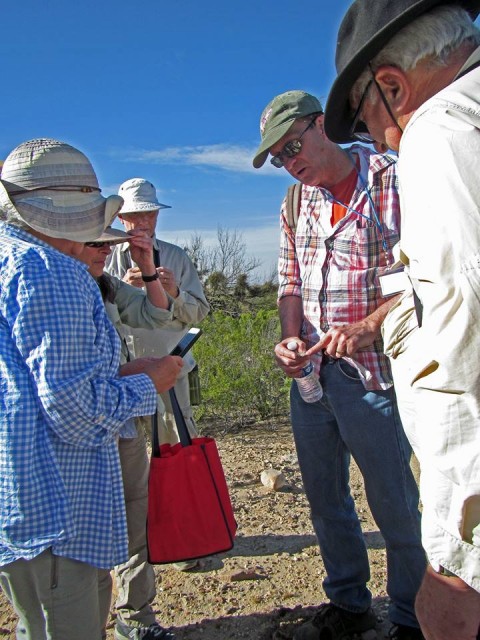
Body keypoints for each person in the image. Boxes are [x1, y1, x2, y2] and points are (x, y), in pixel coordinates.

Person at [324, 2, 480, 639]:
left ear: (392, 86)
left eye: (367, 125)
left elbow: (469, 324)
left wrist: (456, 561)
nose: (380, 140)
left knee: (442, 614)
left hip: (469, 472)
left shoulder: (439, 131)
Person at [252, 91, 426, 640]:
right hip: (310, 379)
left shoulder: (392, 179)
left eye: (294, 145)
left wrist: (370, 326)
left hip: (374, 374)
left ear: (321, 124)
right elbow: (290, 283)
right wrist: (287, 341)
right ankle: (349, 603)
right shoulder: (293, 202)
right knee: (326, 500)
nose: (291, 161)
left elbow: (425, 273)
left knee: (395, 503)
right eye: (280, 156)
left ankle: (410, 615)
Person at [0, 138, 183, 640]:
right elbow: (75, 412)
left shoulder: (10, 259)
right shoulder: (52, 272)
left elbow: (31, 385)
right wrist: (149, 385)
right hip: (61, 508)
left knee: (35, 622)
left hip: (24, 499)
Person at [105, 178, 209, 623]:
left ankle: (181, 537)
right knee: (128, 468)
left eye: (149, 213)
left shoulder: (176, 257)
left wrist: (171, 292)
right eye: (134, 214)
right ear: (120, 217)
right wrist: (130, 290)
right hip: (120, 376)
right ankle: (133, 550)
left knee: (173, 455)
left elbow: (199, 313)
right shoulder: (101, 255)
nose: (142, 221)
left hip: (169, 370)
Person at [80, 226, 186, 640]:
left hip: (121, 420)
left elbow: (156, 313)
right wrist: (132, 374)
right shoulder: (53, 286)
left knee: (134, 517)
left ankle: (136, 619)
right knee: (87, 533)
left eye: (108, 241)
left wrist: (146, 270)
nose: (106, 249)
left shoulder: (102, 283)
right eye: (96, 242)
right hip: (85, 431)